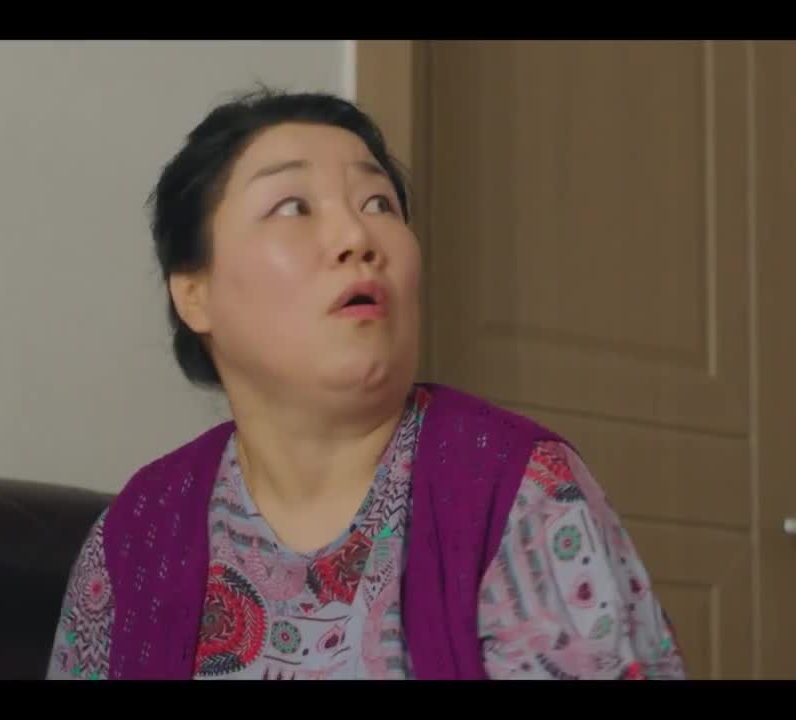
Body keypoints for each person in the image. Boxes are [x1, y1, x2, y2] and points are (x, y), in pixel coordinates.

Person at [46, 89, 686, 681]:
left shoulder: (518, 489)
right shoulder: (137, 535)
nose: (357, 237)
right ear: (195, 295)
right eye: (292, 207)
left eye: (378, 204)